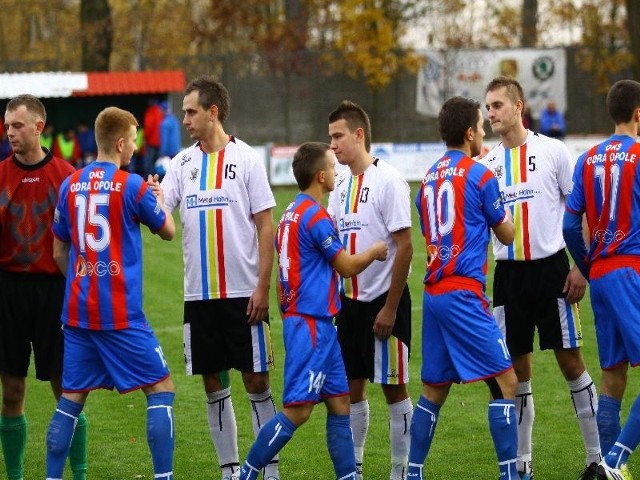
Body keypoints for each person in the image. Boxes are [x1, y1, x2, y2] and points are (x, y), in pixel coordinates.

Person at [239, 142, 388, 480]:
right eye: (334, 168)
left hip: (316, 323)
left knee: (340, 403)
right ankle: (246, 473)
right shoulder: (315, 217)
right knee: (299, 410)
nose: (337, 172)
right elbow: (347, 266)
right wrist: (375, 251)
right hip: (311, 324)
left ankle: (348, 476)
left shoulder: (290, 212)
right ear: (322, 176)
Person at [45, 106, 176, 480]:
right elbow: (167, 230)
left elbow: (58, 250)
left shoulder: (70, 184)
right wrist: (160, 199)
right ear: (120, 143)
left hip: (78, 313)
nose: (135, 148)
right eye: (133, 141)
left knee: (71, 398)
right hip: (119, 314)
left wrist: (82, 278)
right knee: (161, 388)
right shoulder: (132, 185)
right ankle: (163, 477)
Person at [160, 75, 280, 480]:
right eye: (183, 112)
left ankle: (269, 470)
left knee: (256, 379)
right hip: (199, 295)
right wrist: (150, 195)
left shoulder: (246, 159)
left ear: (213, 112)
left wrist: (263, 286)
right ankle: (230, 471)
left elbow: (267, 225)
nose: (185, 119)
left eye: (191, 111)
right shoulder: (180, 164)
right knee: (213, 381)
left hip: (244, 292)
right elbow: (163, 216)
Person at [481, 76, 601, 480]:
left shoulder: (553, 151)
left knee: (572, 363)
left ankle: (595, 459)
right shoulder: (487, 165)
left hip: (552, 272)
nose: (491, 113)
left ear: (518, 107)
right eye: (487, 107)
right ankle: (522, 464)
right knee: (516, 372)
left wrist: (581, 266)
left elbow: (581, 210)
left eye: (497, 105)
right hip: (508, 277)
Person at [407, 96, 518, 479]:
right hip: (463, 292)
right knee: (507, 381)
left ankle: (413, 472)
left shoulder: (425, 180)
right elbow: (507, 232)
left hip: (434, 291)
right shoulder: (481, 175)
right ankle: (509, 474)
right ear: (469, 133)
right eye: (481, 127)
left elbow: (430, 230)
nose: (485, 132)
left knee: (434, 390)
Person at [0, 94, 88, 480]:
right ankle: (15, 475)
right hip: (8, 293)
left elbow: (82, 244)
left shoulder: (68, 177)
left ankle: (80, 473)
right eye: (6, 127)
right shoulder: (0, 175)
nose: (10, 133)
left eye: (17, 126)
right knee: (11, 393)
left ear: (38, 127)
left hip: (55, 294)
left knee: (66, 393)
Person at [327, 100, 413, 480]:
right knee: (350, 390)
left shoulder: (389, 180)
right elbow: (332, 245)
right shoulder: (340, 185)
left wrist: (390, 309)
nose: (333, 145)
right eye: (330, 138)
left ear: (359, 135)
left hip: (384, 304)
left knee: (394, 390)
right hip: (350, 305)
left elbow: (406, 246)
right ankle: (356, 468)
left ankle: (401, 471)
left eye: (338, 136)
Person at [563, 79, 640, 480]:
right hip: (632, 270)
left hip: (605, 274)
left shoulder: (587, 158)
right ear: (639, 114)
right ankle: (615, 461)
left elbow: (569, 225)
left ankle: (610, 469)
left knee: (613, 374)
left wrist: (589, 265)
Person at [142, 99, 163, 178]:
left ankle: (149, 178)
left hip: (151, 141)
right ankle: (158, 178)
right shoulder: (159, 112)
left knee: (149, 162)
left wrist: (145, 136)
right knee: (158, 162)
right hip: (159, 141)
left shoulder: (150, 112)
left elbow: (148, 127)